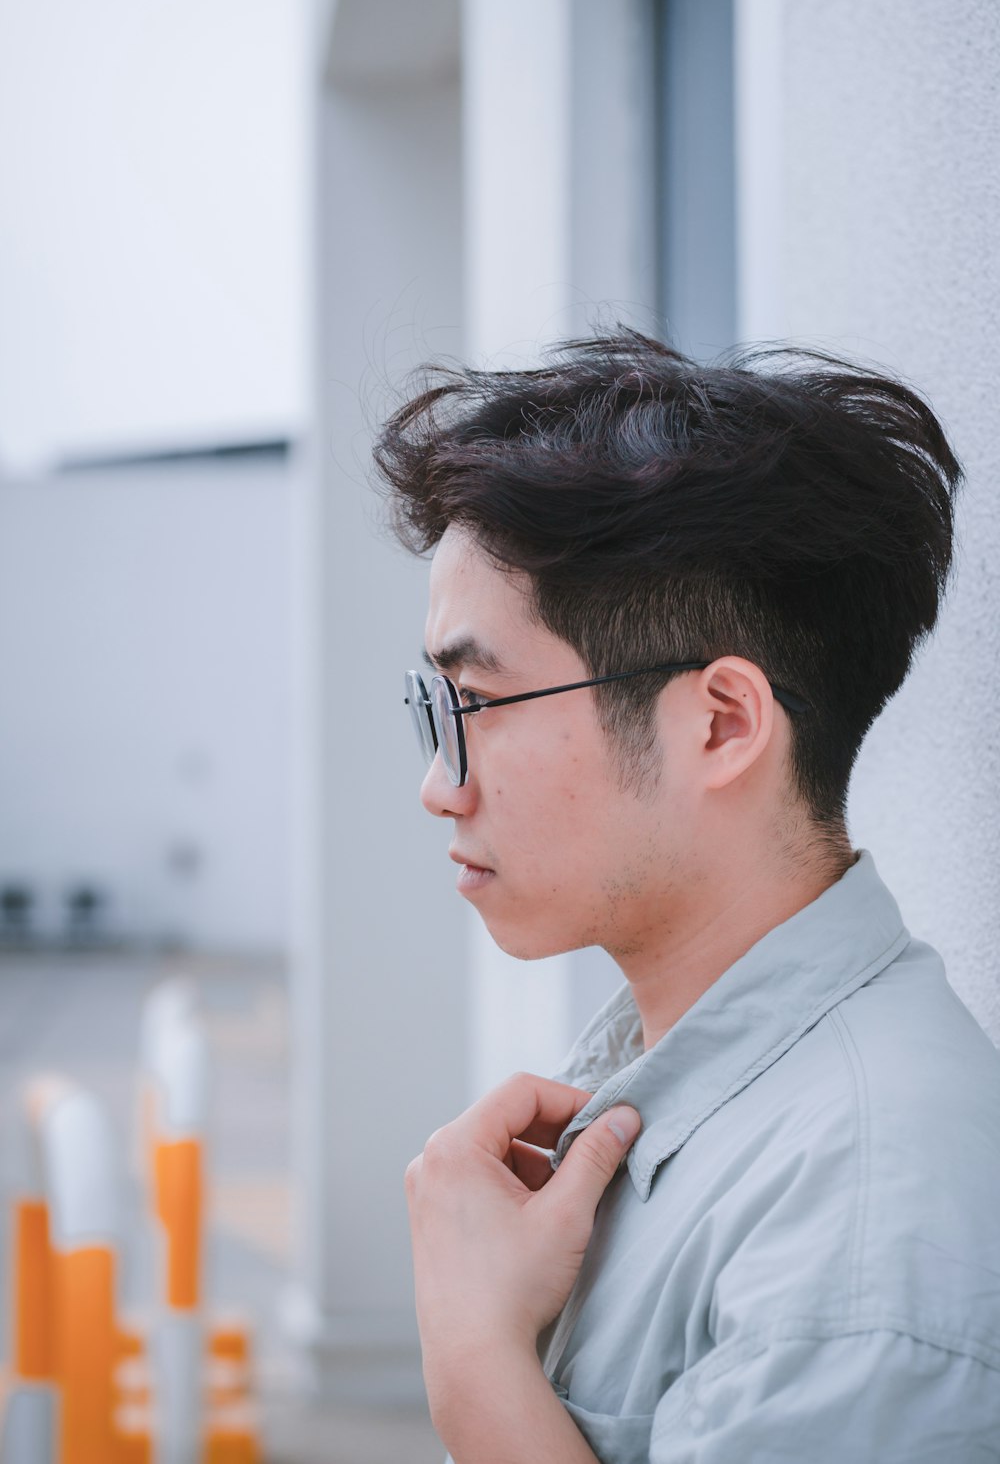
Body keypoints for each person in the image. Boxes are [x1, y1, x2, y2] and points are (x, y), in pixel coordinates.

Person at [374, 330, 1000, 1462]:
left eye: (475, 704)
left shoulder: (862, 1239)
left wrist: (475, 1365)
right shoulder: (679, 1077)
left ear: (720, 724)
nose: (437, 788)